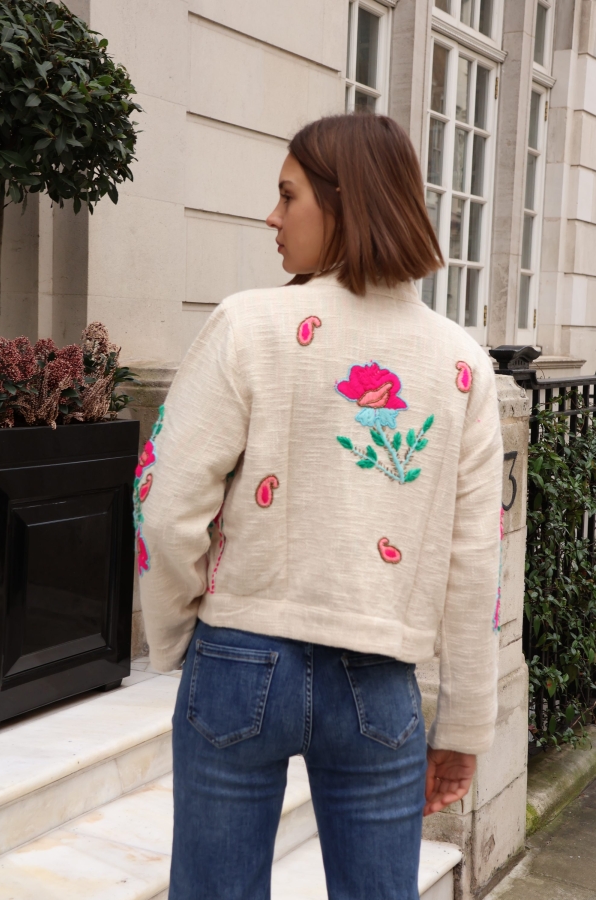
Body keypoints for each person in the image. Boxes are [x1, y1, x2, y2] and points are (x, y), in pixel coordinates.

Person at [136, 113, 503, 900]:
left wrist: (178, 636)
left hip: (238, 658)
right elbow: (475, 565)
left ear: (343, 202)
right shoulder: (462, 365)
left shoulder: (246, 325)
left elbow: (166, 508)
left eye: (287, 195)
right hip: (379, 679)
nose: (272, 217)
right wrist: (465, 725)